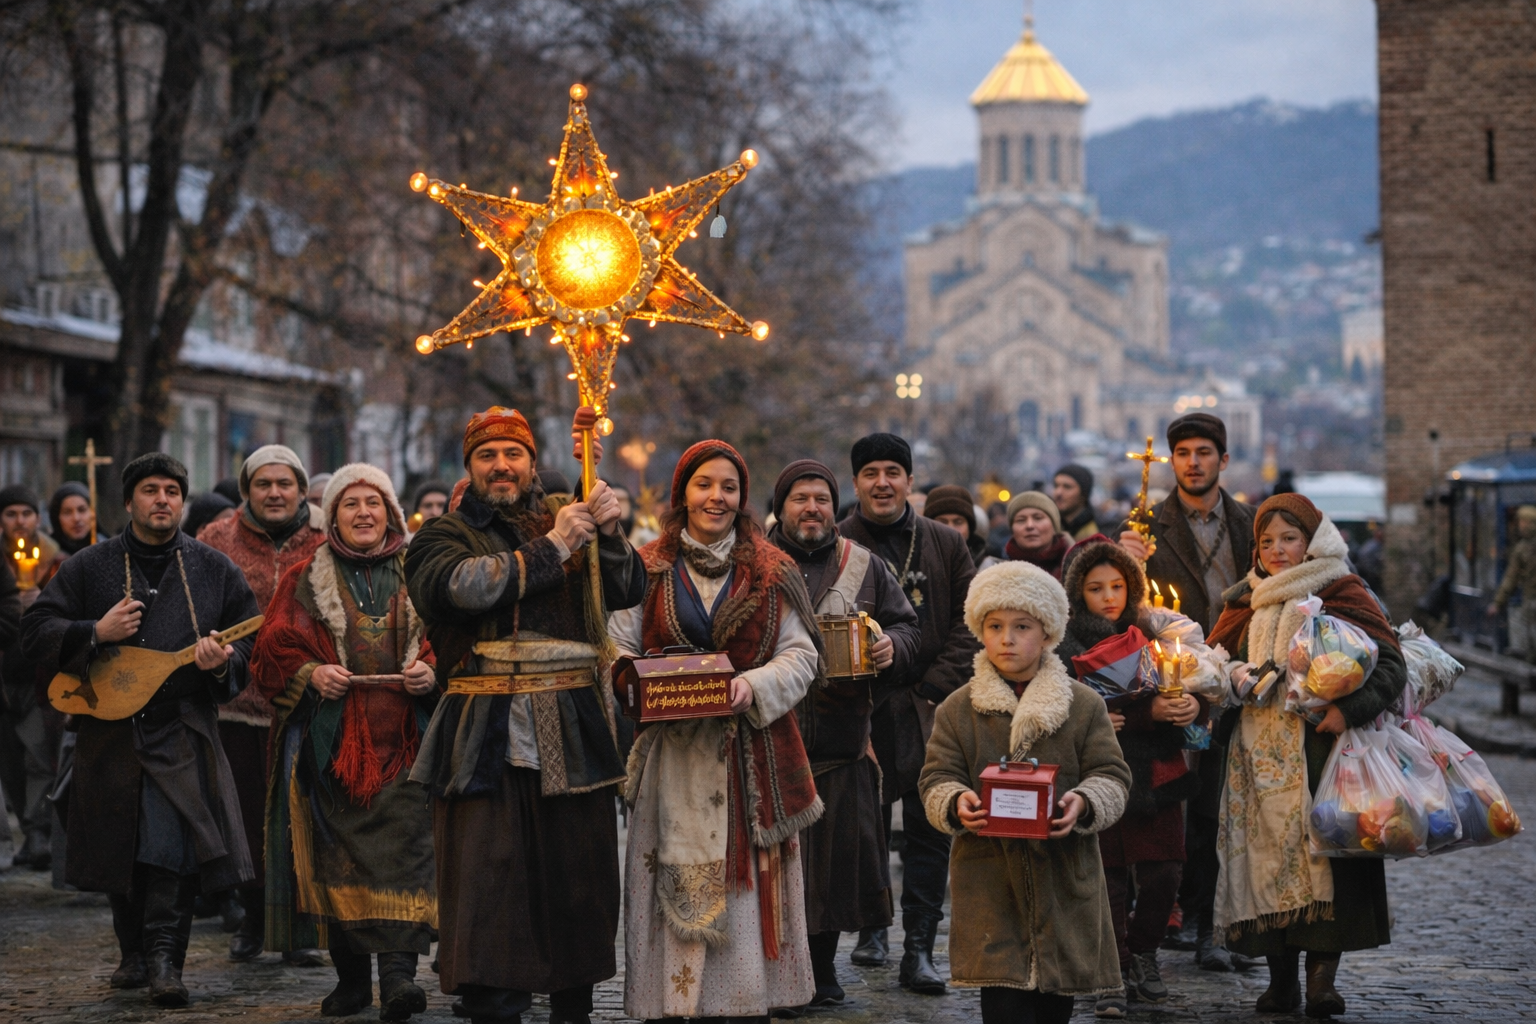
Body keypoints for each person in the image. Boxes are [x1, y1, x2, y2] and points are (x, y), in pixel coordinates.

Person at [406, 406, 643, 1024]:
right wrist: (558, 544)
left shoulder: (572, 514)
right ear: (471, 467)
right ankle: (493, 998)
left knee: (578, 869)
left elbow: (624, 592)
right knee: (490, 874)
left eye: (513, 454)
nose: (501, 466)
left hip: (572, 720)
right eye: (487, 455)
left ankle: (573, 1000)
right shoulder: (443, 534)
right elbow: (459, 589)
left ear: (533, 463)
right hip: (482, 729)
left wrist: (611, 535)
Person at [21, 453, 260, 1006]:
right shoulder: (88, 565)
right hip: (111, 732)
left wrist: (220, 662)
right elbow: (35, 630)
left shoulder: (213, 568)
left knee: (170, 848)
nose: (162, 500)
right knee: (121, 850)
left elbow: (247, 638)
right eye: (150, 490)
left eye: (172, 491)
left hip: (181, 730)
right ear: (129, 501)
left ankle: (164, 961)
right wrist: (94, 631)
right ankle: (132, 951)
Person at [609, 440, 821, 1020]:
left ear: (742, 498)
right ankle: (670, 1005)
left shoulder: (774, 571)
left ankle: (740, 1003)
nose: (717, 497)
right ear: (683, 493)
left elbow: (801, 656)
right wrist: (635, 680)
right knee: (667, 884)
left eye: (728, 487)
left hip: (750, 755)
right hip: (671, 757)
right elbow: (618, 645)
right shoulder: (645, 566)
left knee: (743, 896)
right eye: (705, 485)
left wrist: (751, 687)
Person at [250, 464, 439, 1020]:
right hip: (334, 750)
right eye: (350, 503)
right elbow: (270, 653)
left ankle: (399, 980)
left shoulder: (421, 572)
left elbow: (451, 641)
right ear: (332, 515)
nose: (363, 513)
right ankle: (352, 981)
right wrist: (310, 675)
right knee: (337, 865)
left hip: (407, 747)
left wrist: (432, 669)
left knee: (406, 858)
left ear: (391, 513)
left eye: (373, 503)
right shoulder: (304, 578)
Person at [1209, 494, 1405, 1019]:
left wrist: (1350, 709)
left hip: (1322, 751)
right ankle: (1280, 983)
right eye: (1266, 541)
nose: (1276, 550)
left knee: (1325, 860)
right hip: (1256, 754)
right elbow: (1212, 659)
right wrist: (1229, 677)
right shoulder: (1243, 599)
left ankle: (1321, 982)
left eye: (1289, 538)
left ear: (1313, 540)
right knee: (1267, 865)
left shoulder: (1342, 589)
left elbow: (1390, 665)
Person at [917, 561, 1131, 1024]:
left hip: (1063, 879)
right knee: (1004, 1006)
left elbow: (1112, 775)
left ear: (1048, 632)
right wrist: (956, 803)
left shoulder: (1083, 704)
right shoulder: (959, 709)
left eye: (1022, 626)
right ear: (980, 630)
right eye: (995, 626)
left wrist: (1085, 802)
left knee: (1055, 1007)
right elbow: (936, 778)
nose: (1007, 638)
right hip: (991, 884)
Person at [767, 459, 921, 1006]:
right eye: (800, 499)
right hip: (769, 743)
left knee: (834, 870)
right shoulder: (753, 563)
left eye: (822, 499)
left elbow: (907, 626)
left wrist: (892, 649)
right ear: (781, 507)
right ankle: (778, 973)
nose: (812, 508)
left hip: (842, 743)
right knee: (776, 871)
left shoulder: (866, 566)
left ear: (836, 507)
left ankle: (824, 970)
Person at [837, 433, 978, 992]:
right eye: (870, 472)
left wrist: (932, 687)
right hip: (858, 710)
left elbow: (971, 623)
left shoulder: (944, 542)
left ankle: (919, 946)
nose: (882, 482)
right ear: (856, 483)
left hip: (929, 710)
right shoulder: (838, 540)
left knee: (929, 830)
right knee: (862, 828)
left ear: (910, 482)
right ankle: (873, 925)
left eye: (893, 471)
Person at [1116, 412, 1256, 971]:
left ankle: (1217, 923)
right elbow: (1115, 599)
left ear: (1223, 460)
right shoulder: (1146, 524)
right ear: (1170, 461)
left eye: (1204, 452)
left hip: (1243, 676)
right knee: (1186, 800)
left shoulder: (1249, 523)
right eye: (1183, 453)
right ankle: (1180, 918)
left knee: (1229, 806)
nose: (1193, 463)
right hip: (1174, 680)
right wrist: (1126, 560)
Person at [1055, 540, 1206, 1018]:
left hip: (1158, 772)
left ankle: (1144, 954)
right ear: (1078, 592)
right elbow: (1059, 701)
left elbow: (1179, 690)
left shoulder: (1155, 633)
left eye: (1118, 586)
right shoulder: (1064, 642)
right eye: (1096, 587)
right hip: (1101, 775)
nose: (1108, 596)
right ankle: (1112, 971)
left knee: (1165, 872)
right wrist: (1100, 713)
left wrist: (1189, 706)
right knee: (1110, 881)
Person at [197, 444, 326, 965]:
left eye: (285, 483)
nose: (275, 493)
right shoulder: (217, 538)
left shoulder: (324, 537)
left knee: (303, 820)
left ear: (299, 488)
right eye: (263, 484)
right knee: (246, 820)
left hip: (306, 702)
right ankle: (252, 918)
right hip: (237, 706)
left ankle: (297, 928)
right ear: (247, 489)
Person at [0, 484, 69, 870]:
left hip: (39, 674)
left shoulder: (54, 559)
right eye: (11, 514)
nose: (19, 522)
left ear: (37, 518)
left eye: (26, 514)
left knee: (39, 756)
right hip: (6, 673)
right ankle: (27, 831)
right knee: (10, 758)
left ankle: (39, 829)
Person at [1489, 505, 1536, 662]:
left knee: (1530, 639)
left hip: (1531, 600)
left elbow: (1511, 578)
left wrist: (1497, 602)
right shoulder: (1522, 548)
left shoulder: (1522, 549)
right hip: (1530, 599)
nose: (1520, 527)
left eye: (1523, 523)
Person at [925, 484, 1000, 570]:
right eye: (942, 522)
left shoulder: (991, 568)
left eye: (958, 522)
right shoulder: (913, 561)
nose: (951, 529)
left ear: (969, 527)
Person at [1004, 491, 1072, 579]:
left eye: (1038, 518)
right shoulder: (997, 573)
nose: (1029, 525)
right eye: (1021, 520)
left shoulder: (1078, 568)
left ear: (1054, 526)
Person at [1054, 464, 1100, 541]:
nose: (1058, 493)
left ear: (1083, 494)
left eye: (1067, 487)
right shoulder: (1050, 529)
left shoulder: (1100, 531)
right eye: (1056, 486)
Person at [49, 481, 96, 555]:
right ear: (57, 517)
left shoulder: (108, 550)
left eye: (82, 510)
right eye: (67, 512)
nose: (76, 518)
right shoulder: (46, 555)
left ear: (92, 513)